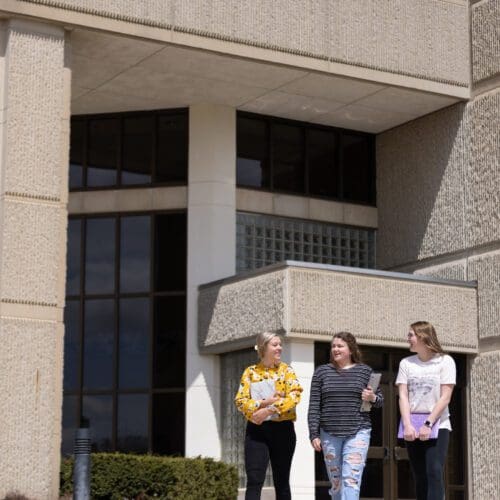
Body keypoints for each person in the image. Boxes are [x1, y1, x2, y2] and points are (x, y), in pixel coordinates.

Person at [308, 332, 383, 500]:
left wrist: (372, 398)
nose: (335, 349)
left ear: (351, 349)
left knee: (351, 480)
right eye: (333, 346)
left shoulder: (365, 371)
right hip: (329, 433)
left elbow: (380, 402)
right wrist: (314, 433)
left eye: (340, 346)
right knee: (336, 483)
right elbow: (314, 406)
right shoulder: (322, 373)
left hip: (358, 431)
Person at [235, 332, 303, 500]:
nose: (280, 347)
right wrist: (262, 403)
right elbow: (241, 401)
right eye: (275, 345)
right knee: (254, 480)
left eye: (280, 344)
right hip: (257, 431)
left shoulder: (287, 371)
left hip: (283, 430)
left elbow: (294, 397)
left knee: (282, 481)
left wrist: (268, 410)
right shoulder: (250, 372)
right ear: (264, 347)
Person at [396, 321, 456, 500]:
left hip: (438, 424)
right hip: (412, 425)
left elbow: (446, 397)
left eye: (411, 335)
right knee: (419, 475)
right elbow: (403, 396)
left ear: (422, 337)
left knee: (434, 471)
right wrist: (407, 424)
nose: (408, 339)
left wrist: (428, 423)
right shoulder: (406, 363)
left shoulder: (445, 361)